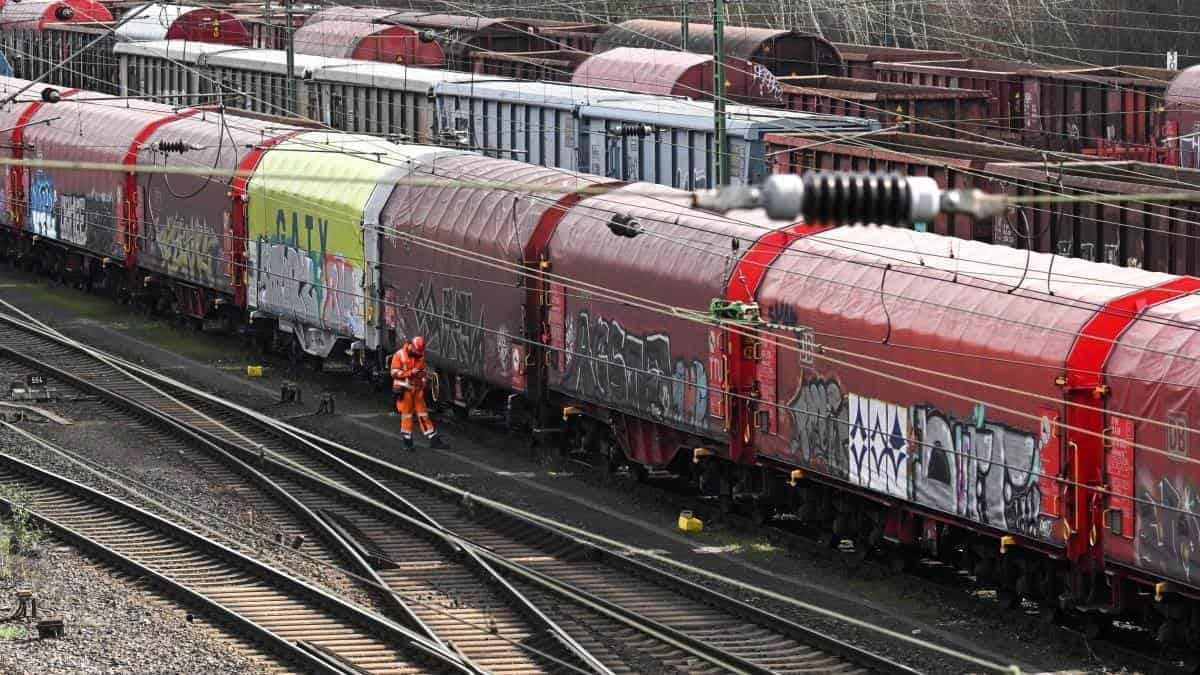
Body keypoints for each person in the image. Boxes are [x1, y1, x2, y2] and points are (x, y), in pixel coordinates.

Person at [391, 336, 446, 450]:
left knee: (423, 414)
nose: (418, 354)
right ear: (411, 346)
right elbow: (394, 372)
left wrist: (424, 380)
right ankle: (407, 442)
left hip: (417, 391)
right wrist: (410, 373)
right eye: (416, 351)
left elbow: (423, 372)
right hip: (405, 391)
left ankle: (433, 439)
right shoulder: (399, 355)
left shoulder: (420, 356)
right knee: (407, 416)